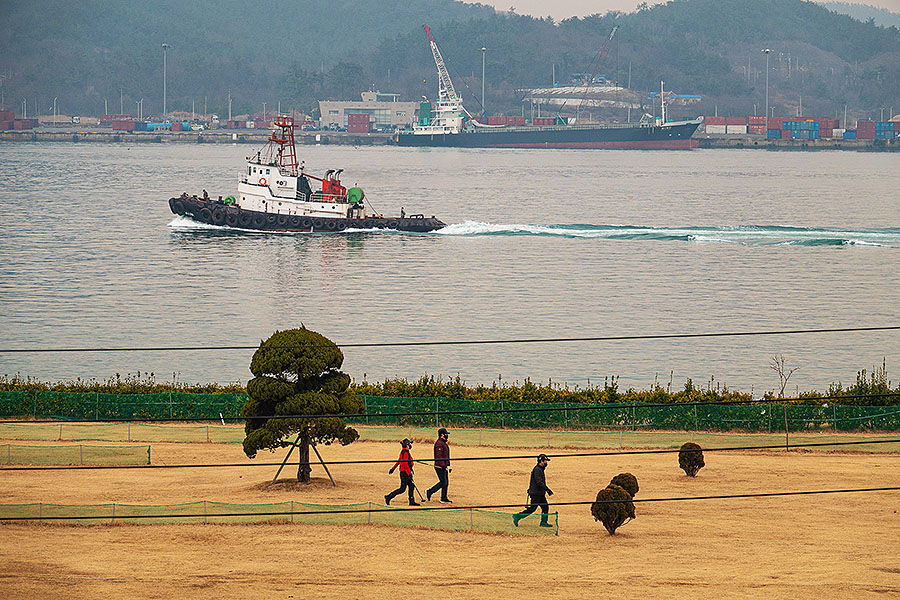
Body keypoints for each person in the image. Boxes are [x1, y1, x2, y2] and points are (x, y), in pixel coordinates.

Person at [512, 454, 553, 527]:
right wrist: (547, 489)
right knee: (532, 509)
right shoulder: (537, 469)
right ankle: (517, 516)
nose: (546, 463)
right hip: (536, 494)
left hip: (540, 493)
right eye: (545, 461)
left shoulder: (540, 469)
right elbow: (539, 482)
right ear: (541, 461)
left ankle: (543, 522)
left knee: (545, 507)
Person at [385, 439, 420, 506]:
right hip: (405, 473)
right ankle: (389, 496)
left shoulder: (404, 452)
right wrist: (409, 473)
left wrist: (393, 468)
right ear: (406, 445)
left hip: (405, 472)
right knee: (402, 489)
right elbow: (405, 464)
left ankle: (411, 501)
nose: (410, 445)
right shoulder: (405, 453)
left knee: (411, 486)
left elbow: (399, 461)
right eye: (409, 444)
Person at [426, 427, 451, 503]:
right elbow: (439, 456)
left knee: (446, 482)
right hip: (439, 466)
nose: (447, 435)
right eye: (446, 434)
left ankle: (443, 498)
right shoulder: (439, 444)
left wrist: (446, 465)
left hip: (444, 466)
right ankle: (429, 492)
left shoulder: (443, 443)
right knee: (443, 482)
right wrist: (443, 465)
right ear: (442, 435)